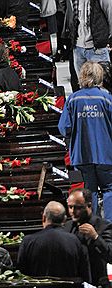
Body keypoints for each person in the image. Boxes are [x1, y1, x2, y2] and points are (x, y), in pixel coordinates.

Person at [58, 62, 112, 220]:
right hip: (106, 153)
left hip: (82, 154)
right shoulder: (107, 98)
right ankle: (108, 227)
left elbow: (65, 128)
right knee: (109, 188)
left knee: (90, 189)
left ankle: (91, 222)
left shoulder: (73, 100)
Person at [17, 200, 91, 281]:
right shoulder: (76, 241)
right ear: (64, 220)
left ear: (44, 218)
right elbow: (84, 275)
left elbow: (21, 275)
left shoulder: (28, 242)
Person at [64, 188, 112, 285]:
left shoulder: (103, 225)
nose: (72, 211)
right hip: (73, 282)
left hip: (97, 282)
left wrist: (96, 237)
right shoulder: (67, 226)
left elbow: (110, 255)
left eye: (77, 207)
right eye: (70, 207)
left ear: (89, 205)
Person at [64, 0, 112, 76]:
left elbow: (110, 15)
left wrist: (105, 39)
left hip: (97, 47)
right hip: (78, 47)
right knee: (82, 84)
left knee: (103, 84)